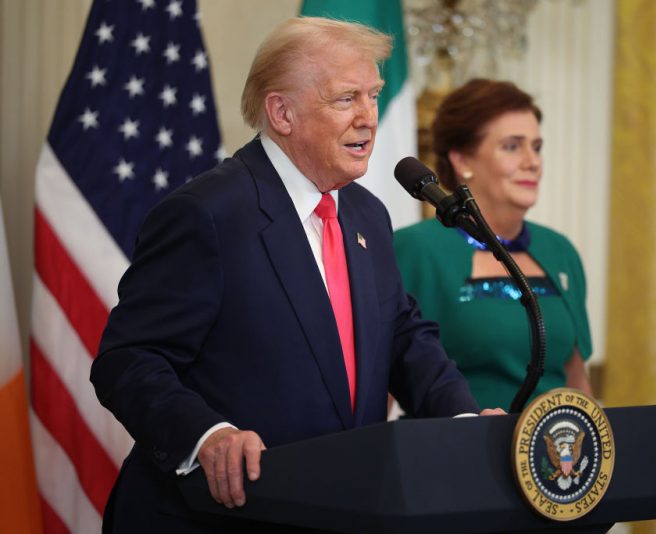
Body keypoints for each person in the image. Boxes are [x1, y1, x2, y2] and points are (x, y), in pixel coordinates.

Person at [91, 18, 501, 534]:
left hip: (337, 510)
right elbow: (128, 359)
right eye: (346, 99)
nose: (368, 118)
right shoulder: (209, 214)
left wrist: (461, 424)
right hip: (213, 517)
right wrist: (207, 436)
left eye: (372, 95)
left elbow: (401, 336)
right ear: (282, 112)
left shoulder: (367, 214)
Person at [394, 79, 593, 412]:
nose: (533, 161)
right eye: (513, 147)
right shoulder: (415, 249)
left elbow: (576, 380)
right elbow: (380, 378)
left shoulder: (560, 251)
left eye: (537, 146)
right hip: (450, 454)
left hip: (551, 458)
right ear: (462, 160)